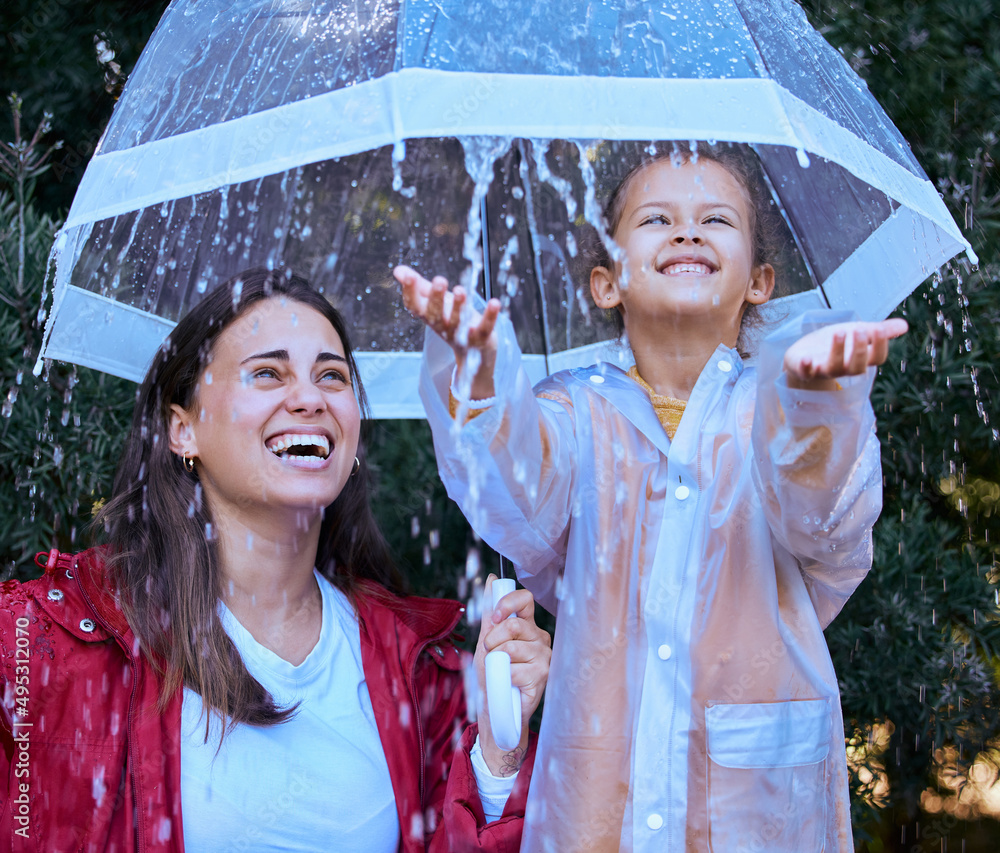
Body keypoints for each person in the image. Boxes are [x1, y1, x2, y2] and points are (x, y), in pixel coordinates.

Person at [395, 142, 908, 852]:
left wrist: (817, 401)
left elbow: (828, 517)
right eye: (658, 218)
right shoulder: (574, 417)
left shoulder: (775, 407)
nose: (688, 232)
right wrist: (480, 378)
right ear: (608, 283)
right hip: (601, 801)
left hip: (756, 804)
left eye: (716, 220)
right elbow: (514, 491)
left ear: (760, 281)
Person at [0, 268, 551, 852]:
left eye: (332, 377)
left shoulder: (420, 674)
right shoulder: (46, 646)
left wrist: (497, 753)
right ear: (182, 430)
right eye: (268, 372)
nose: (310, 398)